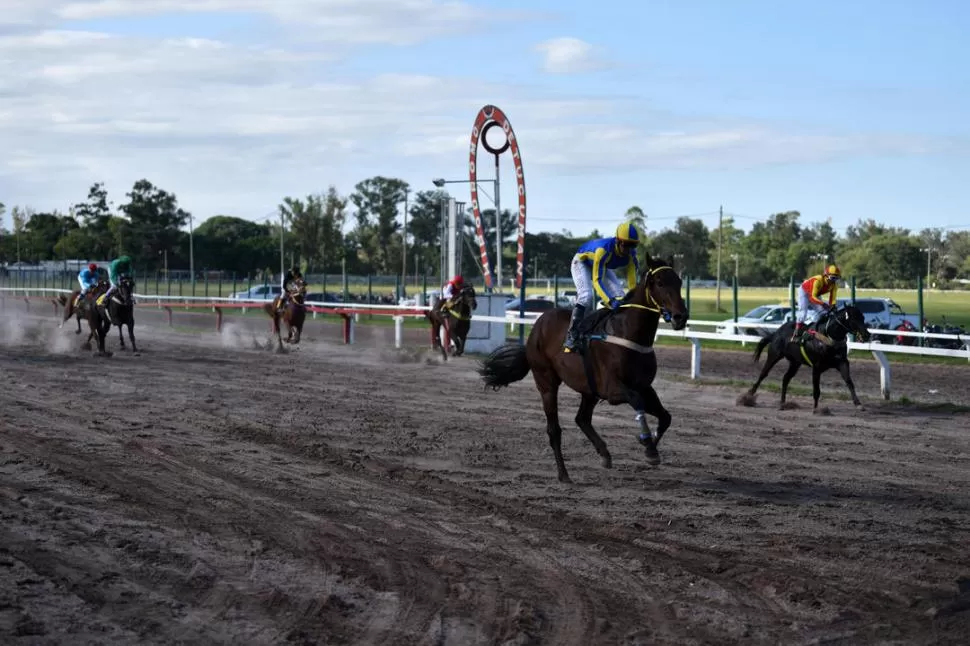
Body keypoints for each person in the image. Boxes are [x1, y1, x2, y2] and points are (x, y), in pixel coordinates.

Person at [563, 221, 641, 353]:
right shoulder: (603, 250)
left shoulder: (631, 256)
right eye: (626, 245)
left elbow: (632, 285)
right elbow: (596, 280)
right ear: (618, 241)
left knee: (621, 296)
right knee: (586, 296)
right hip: (581, 262)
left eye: (633, 245)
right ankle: (572, 335)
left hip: (603, 265)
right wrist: (609, 300)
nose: (629, 249)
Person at [792, 264, 841, 341]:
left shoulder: (834, 285)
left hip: (815, 294)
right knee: (803, 313)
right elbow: (812, 297)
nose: (834, 281)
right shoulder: (818, 280)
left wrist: (833, 306)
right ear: (826, 275)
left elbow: (832, 298)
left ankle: (816, 329)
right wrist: (823, 304)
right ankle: (796, 332)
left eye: (836, 278)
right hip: (804, 292)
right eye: (832, 278)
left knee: (823, 313)